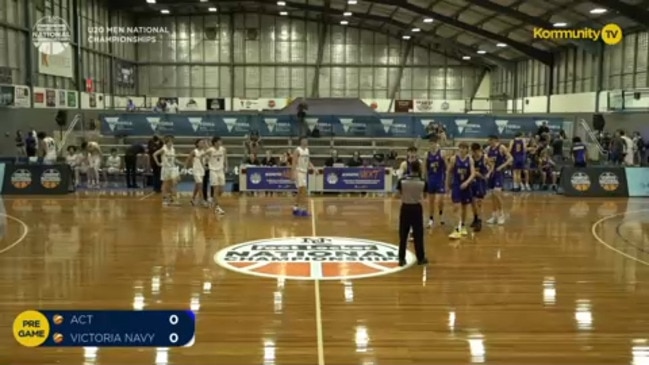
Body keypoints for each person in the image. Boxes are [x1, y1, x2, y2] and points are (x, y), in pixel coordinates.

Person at [395, 160, 428, 267]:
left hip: (405, 207)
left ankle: (401, 259)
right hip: (416, 208)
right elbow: (425, 196)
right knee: (418, 235)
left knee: (403, 235)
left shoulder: (402, 181)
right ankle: (421, 258)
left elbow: (397, 195)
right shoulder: (423, 182)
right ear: (419, 169)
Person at [447, 142, 476, 239]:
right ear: (458, 149)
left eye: (464, 148)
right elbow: (449, 172)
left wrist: (467, 182)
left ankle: (463, 225)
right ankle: (456, 228)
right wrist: (447, 184)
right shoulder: (454, 159)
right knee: (456, 207)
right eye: (461, 148)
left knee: (464, 207)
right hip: (456, 185)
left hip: (466, 186)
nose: (462, 150)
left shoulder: (470, 160)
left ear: (467, 149)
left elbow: (473, 174)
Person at [485, 135, 512, 225]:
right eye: (489, 140)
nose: (489, 141)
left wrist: (502, 166)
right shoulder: (488, 149)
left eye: (490, 140)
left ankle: (501, 214)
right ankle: (494, 215)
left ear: (495, 140)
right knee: (492, 195)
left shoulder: (501, 147)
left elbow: (511, 158)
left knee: (497, 193)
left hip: (498, 173)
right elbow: (486, 160)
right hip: (491, 173)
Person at [423, 136, 446, 228]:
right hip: (431, 179)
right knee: (431, 201)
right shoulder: (427, 154)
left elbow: (447, 166)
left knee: (440, 200)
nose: (432, 145)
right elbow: (424, 168)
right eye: (431, 143)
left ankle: (441, 215)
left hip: (440, 179)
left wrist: (447, 177)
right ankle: (431, 219)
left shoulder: (442, 153)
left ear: (437, 143)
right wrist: (424, 179)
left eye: (434, 143)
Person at [292, 137, 316, 217]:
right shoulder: (297, 150)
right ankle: (303, 210)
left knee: (300, 192)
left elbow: (308, 161)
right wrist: (294, 173)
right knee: (303, 191)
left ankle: (295, 208)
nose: (306, 141)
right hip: (299, 172)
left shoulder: (307, 150)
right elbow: (294, 162)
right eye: (304, 140)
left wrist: (313, 168)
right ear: (301, 141)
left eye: (306, 140)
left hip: (304, 172)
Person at [152, 135, 180, 205]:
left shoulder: (173, 149)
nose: (171, 143)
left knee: (174, 183)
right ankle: (165, 198)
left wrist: (181, 163)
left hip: (172, 168)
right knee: (165, 184)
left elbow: (174, 159)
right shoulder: (163, 149)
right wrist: (158, 163)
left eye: (171, 142)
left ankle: (172, 197)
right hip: (166, 168)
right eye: (169, 142)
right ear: (166, 143)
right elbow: (154, 154)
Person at [470, 143, 488, 232]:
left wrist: (485, 175)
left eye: (476, 151)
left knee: (479, 202)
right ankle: (475, 218)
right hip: (472, 182)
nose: (475, 153)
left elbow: (492, 166)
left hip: (481, 182)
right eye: (474, 152)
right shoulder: (471, 158)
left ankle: (479, 221)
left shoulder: (484, 157)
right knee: (472, 202)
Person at [206, 137, 227, 214]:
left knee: (221, 190)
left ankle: (213, 200)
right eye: (219, 141)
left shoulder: (223, 149)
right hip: (213, 171)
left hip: (220, 170)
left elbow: (225, 157)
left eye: (220, 141)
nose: (220, 142)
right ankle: (217, 207)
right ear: (215, 143)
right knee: (216, 188)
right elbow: (202, 156)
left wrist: (226, 165)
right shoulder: (210, 150)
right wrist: (205, 165)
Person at [185, 139, 207, 207]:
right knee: (200, 186)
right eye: (201, 143)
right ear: (197, 144)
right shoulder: (194, 151)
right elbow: (188, 159)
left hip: (202, 170)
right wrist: (185, 167)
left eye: (203, 143)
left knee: (197, 186)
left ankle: (192, 198)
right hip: (196, 170)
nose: (202, 144)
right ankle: (202, 200)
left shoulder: (205, 151)